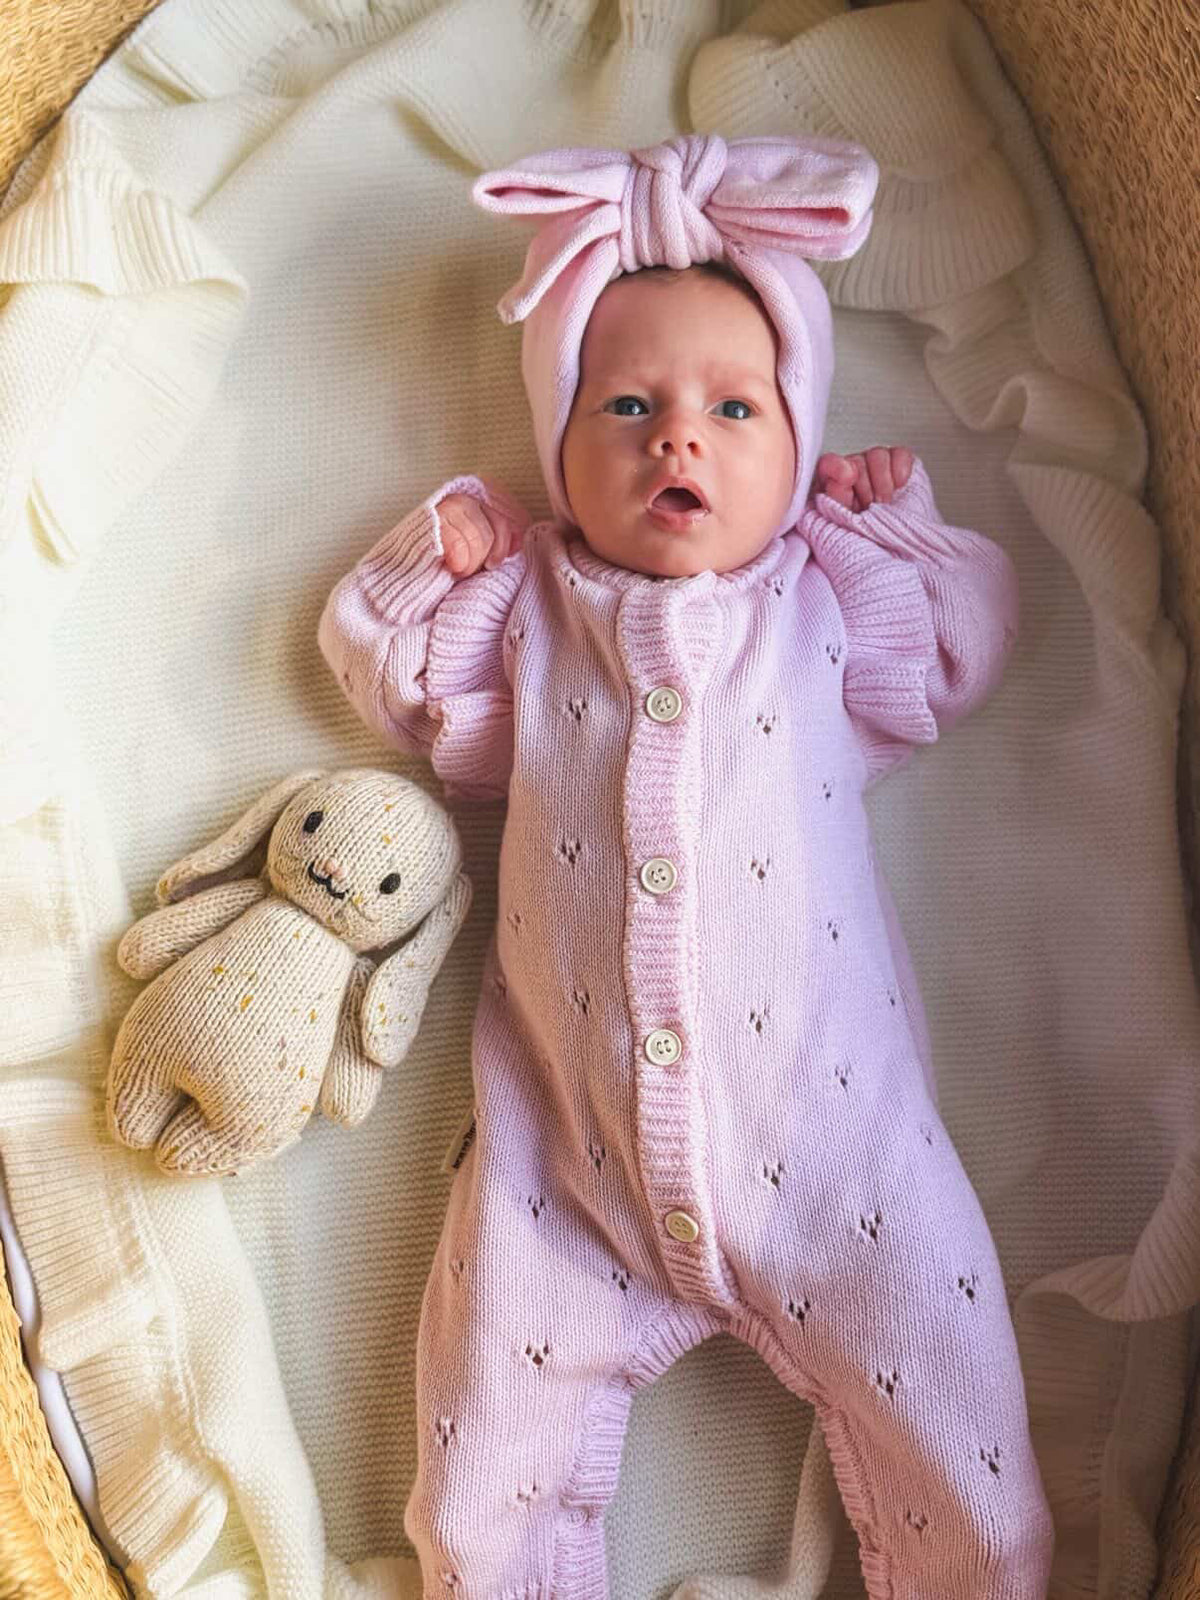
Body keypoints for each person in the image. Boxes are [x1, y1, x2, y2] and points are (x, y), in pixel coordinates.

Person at [318, 133, 1054, 1598]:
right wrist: (433, 555)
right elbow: (395, 683)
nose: (679, 441)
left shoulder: (827, 599)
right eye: (629, 406)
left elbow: (966, 641)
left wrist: (894, 528)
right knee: (482, 1470)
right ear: (558, 446)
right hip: (564, 1164)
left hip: (840, 1151)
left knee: (958, 1419)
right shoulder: (528, 609)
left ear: (799, 440)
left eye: (734, 407)